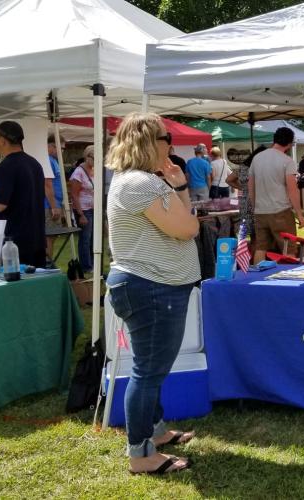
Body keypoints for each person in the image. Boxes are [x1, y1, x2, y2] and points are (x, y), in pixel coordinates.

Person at [105, 112, 199, 475]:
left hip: (149, 285)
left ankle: (155, 434)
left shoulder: (137, 181)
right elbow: (187, 227)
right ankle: (141, 454)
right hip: (151, 288)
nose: (171, 144)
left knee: (152, 369)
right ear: (149, 142)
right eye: (166, 138)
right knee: (148, 371)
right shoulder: (141, 184)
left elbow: (180, 222)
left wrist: (177, 187)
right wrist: (176, 189)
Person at [0, 121, 46, 268]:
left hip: (14, 242)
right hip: (36, 237)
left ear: (2, 140)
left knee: (17, 287)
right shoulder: (34, 164)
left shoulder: (6, 167)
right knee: (36, 285)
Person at [248, 127, 304, 263]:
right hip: (281, 211)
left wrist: (256, 206)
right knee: (289, 249)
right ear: (290, 143)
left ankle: (257, 280)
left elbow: (251, 186)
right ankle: (288, 280)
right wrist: (299, 214)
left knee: (260, 248)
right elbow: (293, 190)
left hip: (260, 211)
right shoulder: (287, 161)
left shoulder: (257, 158)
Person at [69, 145, 96, 273]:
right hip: (83, 210)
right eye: (94, 158)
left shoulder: (94, 170)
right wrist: (80, 214)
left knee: (92, 238)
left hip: (93, 208)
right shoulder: (78, 173)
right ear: (87, 157)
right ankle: (86, 266)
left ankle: (92, 264)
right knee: (85, 239)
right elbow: (74, 194)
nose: (96, 161)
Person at [45, 137, 65, 264]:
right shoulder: (48, 161)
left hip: (53, 204)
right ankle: (48, 264)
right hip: (48, 205)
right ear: (52, 146)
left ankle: (49, 262)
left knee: (52, 237)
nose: (62, 151)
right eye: (61, 148)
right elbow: (47, 184)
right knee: (49, 237)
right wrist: (54, 206)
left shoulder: (53, 161)